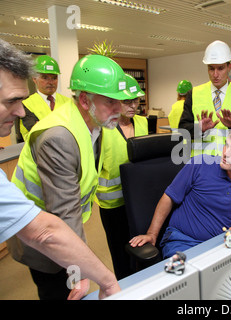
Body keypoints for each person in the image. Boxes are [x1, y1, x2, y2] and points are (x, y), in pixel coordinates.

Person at [0, 39, 120, 300]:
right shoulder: (59, 137)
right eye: (111, 102)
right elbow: (60, 215)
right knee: (56, 292)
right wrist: (79, 270)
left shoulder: (97, 126)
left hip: (61, 231)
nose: (119, 110)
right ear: (86, 101)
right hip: (43, 243)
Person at [129, 125, 231, 259]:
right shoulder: (200, 163)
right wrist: (152, 234)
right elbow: (169, 197)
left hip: (221, 245)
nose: (225, 153)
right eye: (226, 145)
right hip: (182, 241)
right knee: (186, 280)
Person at [95, 74, 148, 280]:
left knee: (142, 248)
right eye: (127, 100)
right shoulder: (103, 128)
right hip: (113, 205)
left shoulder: (143, 122)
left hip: (141, 201)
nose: (133, 105)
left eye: (135, 100)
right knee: (120, 254)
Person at [178, 40, 231, 157]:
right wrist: (199, 129)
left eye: (220, 68)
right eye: (211, 68)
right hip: (201, 164)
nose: (215, 74)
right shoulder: (194, 94)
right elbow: (182, 130)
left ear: (229, 67)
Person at [19, 55, 71, 141]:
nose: (50, 82)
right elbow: (36, 132)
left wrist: (44, 126)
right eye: (45, 77)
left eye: (54, 78)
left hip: (65, 150)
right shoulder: (26, 105)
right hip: (39, 153)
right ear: (34, 79)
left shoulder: (68, 102)